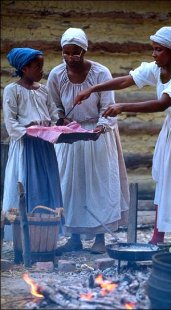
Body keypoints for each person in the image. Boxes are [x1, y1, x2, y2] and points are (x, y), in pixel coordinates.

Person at [75, 26, 171, 243]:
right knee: (165, 176)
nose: (154, 54)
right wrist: (92, 89)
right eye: (153, 49)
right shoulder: (157, 68)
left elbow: (163, 103)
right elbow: (126, 80)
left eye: (159, 50)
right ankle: (158, 234)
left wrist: (122, 106)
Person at [47, 28, 129, 254]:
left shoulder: (101, 73)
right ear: (61, 51)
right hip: (71, 134)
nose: (71, 58)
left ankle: (100, 237)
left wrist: (102, 126)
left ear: (84, 51)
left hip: (97, 134)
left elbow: (107, 106)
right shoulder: (56, 75)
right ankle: (74, 237)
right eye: (66, 53)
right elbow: (54, 105)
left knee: (98, 186)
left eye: (76, 53)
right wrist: (61, 119)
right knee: (71, 186)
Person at [3, 47, 63, 239]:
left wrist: (56, 125)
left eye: (42, 66)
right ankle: (25, 234)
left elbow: (54, 116)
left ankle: (46, 233)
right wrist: (29, 128)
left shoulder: (43, 90)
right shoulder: (12, 91)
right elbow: (11, 124)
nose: (41, 71)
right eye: (38, 66)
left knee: (47, 184)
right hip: (25, 147)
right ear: (24, 67)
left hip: (44, 146)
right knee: (26, 186)